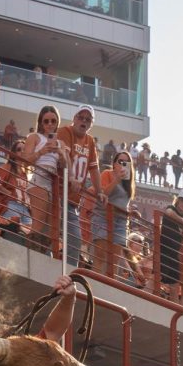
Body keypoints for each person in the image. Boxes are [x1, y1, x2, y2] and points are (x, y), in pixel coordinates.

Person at [54, 104, 102, 267]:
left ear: (91, 124)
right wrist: (72, 177)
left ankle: (69, 274)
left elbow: (94, 168)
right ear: (74, 119)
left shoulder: (90, 141)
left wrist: (100, 191)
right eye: (80, 117)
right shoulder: (65, 131)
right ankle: (48, 265)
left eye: (88, 119)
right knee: (54, 233)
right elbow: (64, 155)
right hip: (58, 194)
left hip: (73, 201)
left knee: (75, 239)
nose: (83, 121)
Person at [19, 105, 67, 253]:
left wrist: (59, 152)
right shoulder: (34, 137)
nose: (50, 124)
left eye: (53, 121)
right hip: (39, 178)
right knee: (39, 224)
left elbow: (66, 166)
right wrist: (42, 151)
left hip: (52, 182)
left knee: (51, 227)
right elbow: (25, 161)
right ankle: (31, 259)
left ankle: (40, 258)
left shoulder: (61, 143)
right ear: (40, 122)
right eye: (46, 121)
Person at [96, 148, 135, 277]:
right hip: (103, 216)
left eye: (126, 162)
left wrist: (131, 212)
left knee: (115, 260)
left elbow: (124, 202)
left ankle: (108, 286)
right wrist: (116, 179)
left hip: (121, 220)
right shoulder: (107, 174)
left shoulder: (128, 182)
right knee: (100, 255)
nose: (123, 164)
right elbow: (103, 194)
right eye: (120, 161)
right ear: (114, 163)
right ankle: (94, 284)